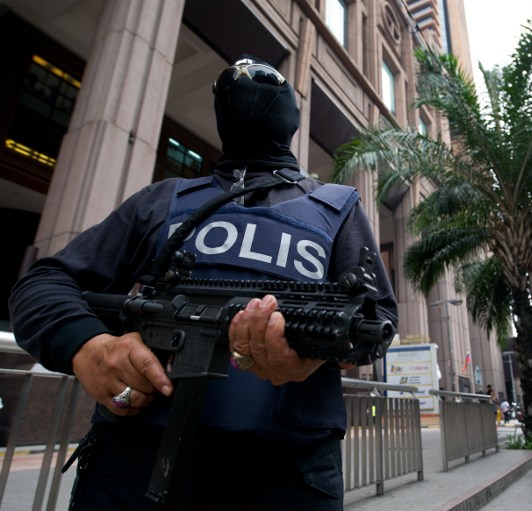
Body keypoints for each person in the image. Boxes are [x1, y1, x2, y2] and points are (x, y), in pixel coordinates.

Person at [8, 54, 398, 510]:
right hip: (135, 460)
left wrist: (314, 354)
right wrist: (87, 345)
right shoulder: (161, 200)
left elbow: (377, 319)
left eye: (266, 77)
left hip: (288, 470)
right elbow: (43, 283)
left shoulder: (338, 207)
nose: (246, 76)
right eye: (234, 77)